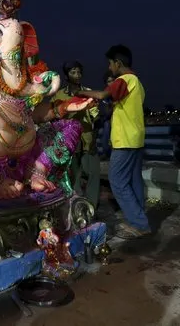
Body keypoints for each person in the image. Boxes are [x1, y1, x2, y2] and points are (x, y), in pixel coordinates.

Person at [78, 45, 150, 239]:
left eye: (110, 64)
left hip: (125, 140)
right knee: (134, 180)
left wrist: (82, 93)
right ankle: (140, 216)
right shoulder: (138, 83)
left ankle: (139, 223)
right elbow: (117, 106)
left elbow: (102, 94)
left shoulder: (124, 79)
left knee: (117, 181)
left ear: (118, 63)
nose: (110, 68)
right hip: (136, 138)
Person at [51, 61, 101, 208]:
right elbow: (53, 117)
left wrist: (94, 139)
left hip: (87, 138)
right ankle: (77, 206)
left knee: (93, 172)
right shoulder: (59, 95)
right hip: (68, 141)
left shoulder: (88, 92)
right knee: (74, 175)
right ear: (66, 75)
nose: (77, 75)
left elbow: (95, 117)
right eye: (73, 72)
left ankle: (91, 206)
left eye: (79, 72)